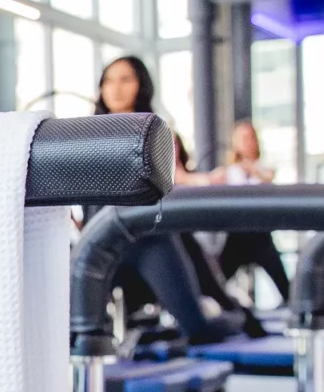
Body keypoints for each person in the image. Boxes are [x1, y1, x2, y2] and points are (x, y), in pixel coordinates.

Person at [91, 56, 244, 341]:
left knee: (199, 330)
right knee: (78, 332)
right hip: (102, 245)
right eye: (109, 80)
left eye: (126, 79)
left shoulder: (157, 131)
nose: (116, 88)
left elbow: (175, 176)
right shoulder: (85, 134)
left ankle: (237, 317)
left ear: (141, 86)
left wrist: (208, 180)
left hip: (150, 240)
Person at [216, 118, 293, 306]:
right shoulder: (227, 172)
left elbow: (268, 179)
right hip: (236, 236)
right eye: (242, 138)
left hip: (261, 235)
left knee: (285, 287)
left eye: (250, 137)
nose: (247, 142)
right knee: (216, 280)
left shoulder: (264, 170)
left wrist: (251, 168)